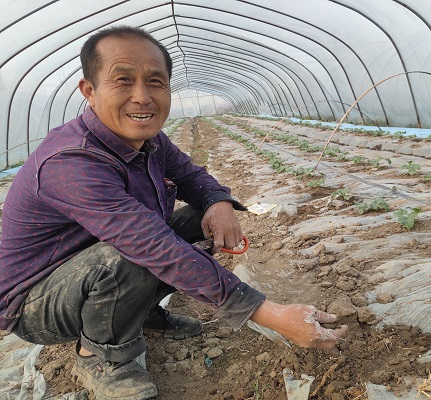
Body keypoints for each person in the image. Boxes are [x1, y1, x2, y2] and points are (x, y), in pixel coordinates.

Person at [0, 26, 347, 400]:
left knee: (192, 220)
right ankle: (98, 357)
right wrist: (268, 312)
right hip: (37, 303)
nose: (142, 96)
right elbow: (150, 244)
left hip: (86, 266)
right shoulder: (70, 162)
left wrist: (218, 203)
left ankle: (139, 312)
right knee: (133, 255)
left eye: (155, 81)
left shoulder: (148, 139)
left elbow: (191, 176)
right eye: (123, 80)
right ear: (90, 91)